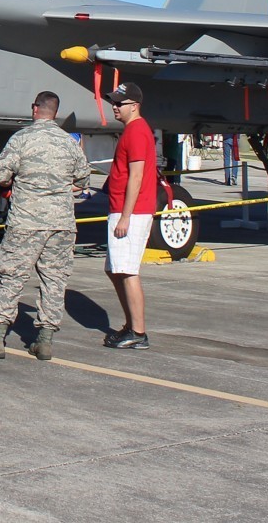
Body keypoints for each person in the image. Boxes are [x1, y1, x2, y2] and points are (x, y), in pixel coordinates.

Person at [0, 91, 92, 361]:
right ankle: (45, 341)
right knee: (54, 281)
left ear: (34, 109)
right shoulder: (68, 142)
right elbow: (83, 178)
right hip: (61, 224)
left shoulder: (22, 138)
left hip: (26, 221)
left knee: (11, 277)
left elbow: (1, 176)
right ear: (56, 113)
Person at [101, 83, 156, 350]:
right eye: (113, 102)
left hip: (131, 213)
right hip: (122, 210)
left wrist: (125, 216)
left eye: (119, 103)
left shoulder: (136, 132)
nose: (114, 106)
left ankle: (138, 331)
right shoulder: (131, 131)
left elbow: (136, 176)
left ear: (134, 105)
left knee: (127, 271)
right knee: (114, 269)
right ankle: (131, 323)